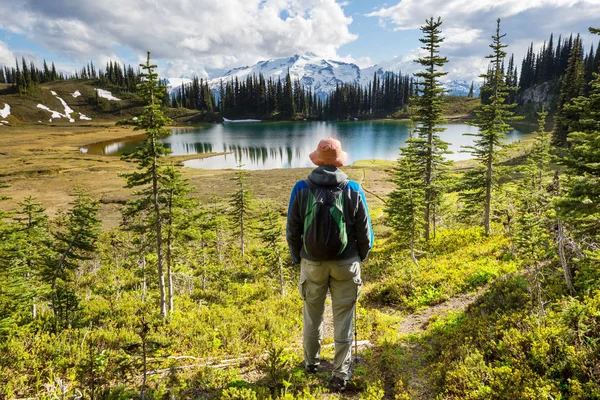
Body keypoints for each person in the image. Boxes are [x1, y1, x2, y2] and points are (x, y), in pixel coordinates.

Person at [286, 137, 373, 392]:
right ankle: (340, 374)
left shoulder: (300, 189)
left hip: (311, 264)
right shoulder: (353, 188)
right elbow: (365, 232)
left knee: (312, 315)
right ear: (338, 162)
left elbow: (292, 232)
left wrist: (297, 257)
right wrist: (361, 256)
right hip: (346, 264)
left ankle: (311, 364)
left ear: (317, 160)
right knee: (343, 318)